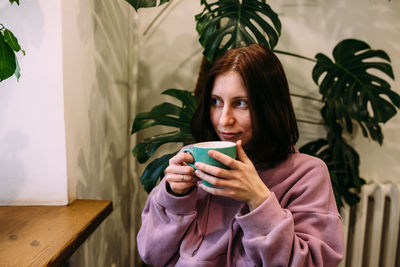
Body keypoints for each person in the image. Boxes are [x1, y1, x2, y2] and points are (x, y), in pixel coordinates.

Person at [137, 44, 344, 266]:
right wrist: (174, 196)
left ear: (269, 106)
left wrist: (259, 199)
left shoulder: (307, 174)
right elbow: (150, 253)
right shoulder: (192, 161)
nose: (224, 120)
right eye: (216, 102)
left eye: (240, 103)